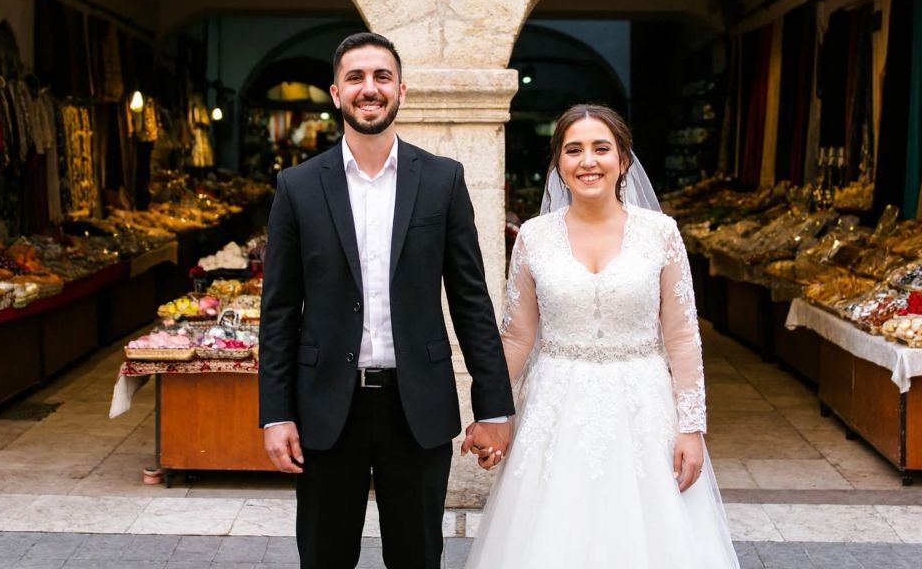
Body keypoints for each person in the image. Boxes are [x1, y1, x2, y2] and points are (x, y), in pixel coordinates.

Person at [258, 32, 515, 569]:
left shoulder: (443, 181)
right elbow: (279, 312)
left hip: (415, 406)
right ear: (335, 93)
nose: (368, 88)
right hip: (327, 406)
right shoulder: (297, 186)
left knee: (417, 557)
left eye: (380, 77)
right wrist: (275, 413)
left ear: (401, 89)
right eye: (355, 77)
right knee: (325, 557)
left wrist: (492, 407)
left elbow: (471, 301)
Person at [463, 103, 739, 568]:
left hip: (643, 408)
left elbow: (683, 338)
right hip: (554, 406)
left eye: (601, 148)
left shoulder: (661, 233)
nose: (587, 161)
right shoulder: (533, 237)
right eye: (573, 150)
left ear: (623, 160)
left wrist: (692, 428)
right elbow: (515, 337)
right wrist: (493, 413)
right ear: (559, 165)